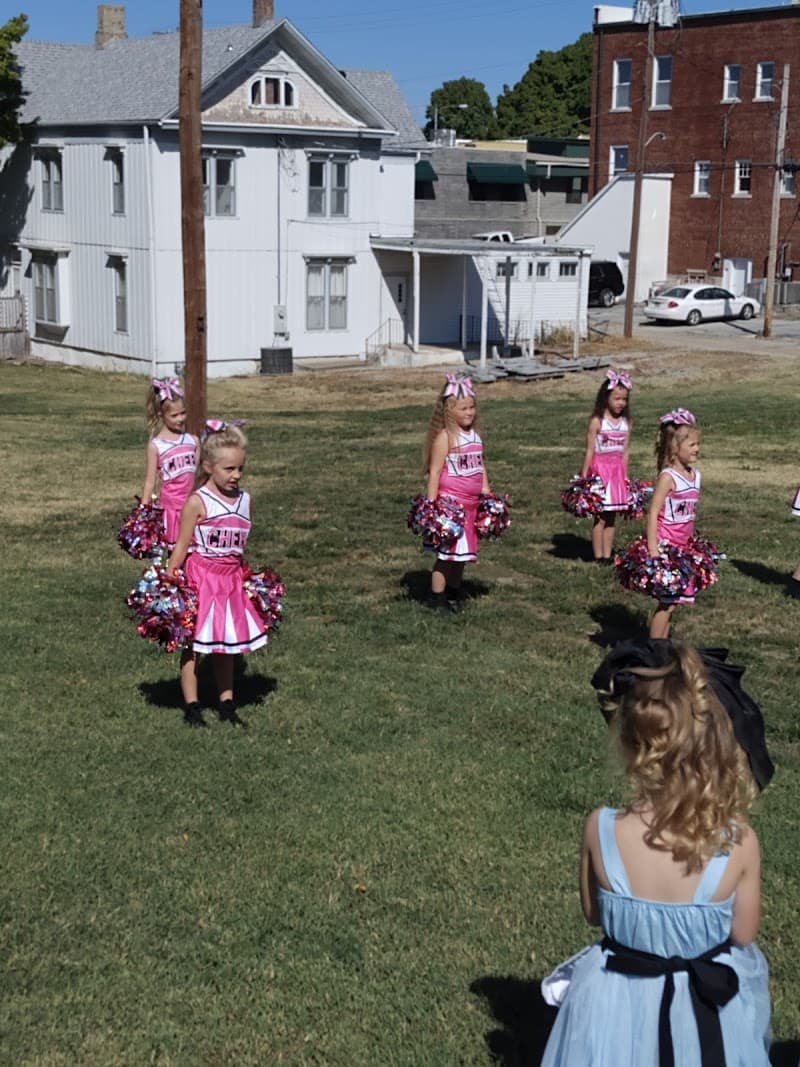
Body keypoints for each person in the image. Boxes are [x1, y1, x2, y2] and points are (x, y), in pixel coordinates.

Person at [541, 643, 771, 1067]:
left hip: (613, 999)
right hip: (704, 1004)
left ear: (630, 746)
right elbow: (743, 933)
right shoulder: (738, 841)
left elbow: (593, 912)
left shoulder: (601, 827)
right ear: (716, 749)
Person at [166, 423, 266, 727]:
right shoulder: (198, 501)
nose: (236, 475)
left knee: (226, 645)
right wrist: (171, 579)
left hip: (230, 582)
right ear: (208, 467)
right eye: (229, 468)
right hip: (201, 580)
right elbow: (182, 546)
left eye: (240, 468)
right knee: (194, 645)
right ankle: (192, 707)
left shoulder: (245, 500)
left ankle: (226, 704)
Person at [423, 374, 490, 614]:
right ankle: (436, 597)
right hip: (450, 507)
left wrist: (486, 490)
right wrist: (432, 507)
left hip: (471, 506)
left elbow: (480, 466)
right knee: (446, 555)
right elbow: (435, 472)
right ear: (449, 410)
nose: (470, 412)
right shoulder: (445, 437)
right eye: (464, 408)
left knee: (462, 555)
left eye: (472, 407)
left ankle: (453, 591)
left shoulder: (475, 436)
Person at [647, 407, 702, 639]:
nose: (697, 449)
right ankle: (653, 650)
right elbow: (653, 513)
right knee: (666, 603)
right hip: (666, 546)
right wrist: (653, 548)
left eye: (698, 444)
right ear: (674, 447)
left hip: (683, 547)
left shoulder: (695, 476)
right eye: (692, 445)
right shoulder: (668, 477)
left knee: (673, 603)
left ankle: (662, 647)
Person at [141, 377, 200, 548]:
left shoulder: (193, 441)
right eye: (174, 415)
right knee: (173, 554)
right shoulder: (156, 446)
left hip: (192, 507)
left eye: (183, 413)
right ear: (162, 415)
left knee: (194, 552)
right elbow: (150, 482)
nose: (180, 419)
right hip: (171, 510)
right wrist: (143, 513)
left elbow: (198, 477)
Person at [580, 370, 632, 562]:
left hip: (617, 473)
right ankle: (598, 555)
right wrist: (584, 477)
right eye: (617, 398)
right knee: (600, 517)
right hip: (600, 472)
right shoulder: (597, 421)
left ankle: (608, 555)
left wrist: (625, 477)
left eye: (624, 399)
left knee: (612, 518)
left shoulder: (627, 423)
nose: (621, 403)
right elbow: (590, 450)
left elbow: (625, 452)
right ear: (606, 397)